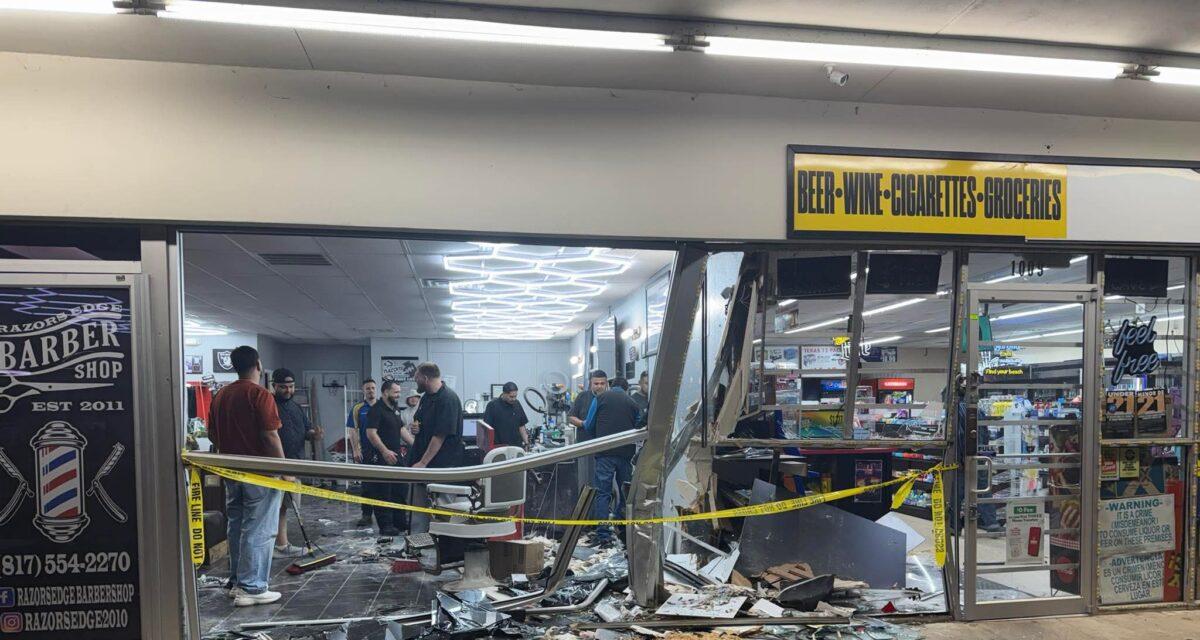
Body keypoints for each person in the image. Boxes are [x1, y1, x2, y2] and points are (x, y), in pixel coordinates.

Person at [207, 346, 286, 607]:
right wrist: (285, 471)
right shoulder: (259, 394)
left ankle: (236, 582)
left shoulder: (220, 396)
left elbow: (212, 436)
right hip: (261, 475)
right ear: (258, 364)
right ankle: (252, 587)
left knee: (237, 525)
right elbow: (270, 435)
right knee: (259, 528)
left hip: (232, 473)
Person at [582, 376, 640, 547]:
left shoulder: (599, 398)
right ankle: (620, 526)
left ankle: (603, 534)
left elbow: (588, 424)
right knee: (626, 493)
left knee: (603, 493)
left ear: (610, 385)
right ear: (626, 388)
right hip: (626, 454)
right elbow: (639, 427)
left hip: (605, 453)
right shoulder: (633, 403)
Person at [408, 362, 465, 533]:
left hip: (441, 467)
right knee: (419, 511)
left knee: (442, 512)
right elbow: (422, 423)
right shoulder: (426, 397)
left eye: (416, 377)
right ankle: (419, 547)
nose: (414, 380)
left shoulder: (448, 399)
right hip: (422, 465)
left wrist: (423, 463)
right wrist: (417, 428)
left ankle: (443, 550)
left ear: (425, 378)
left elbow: (439, 436)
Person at [270, 368, 320, 557]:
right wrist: (282, 468)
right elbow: (269, 437)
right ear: (274, 386)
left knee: (285, 507)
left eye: (291, 387)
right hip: (275, 467)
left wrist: (315, 435)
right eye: (283, 387)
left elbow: (306, 431)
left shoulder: (296, 407)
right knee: (271, 508)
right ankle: (270, 547)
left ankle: (282, 545)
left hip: (295, 464)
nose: (288, 391)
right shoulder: (270, 405)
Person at [365, 379, 413, 536]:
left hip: (396, 455)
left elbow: (401, 429)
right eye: (396, 392)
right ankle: (385, 525)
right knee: (383, 491)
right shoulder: (376, 410)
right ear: (385, 392)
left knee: (400, 489)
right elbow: (371, 433)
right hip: (381, 457)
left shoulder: (394, 409)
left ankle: (399, 522)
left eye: (399, 392)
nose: (398, 395)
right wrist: (385, 451)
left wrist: (416, 444)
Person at [346, 378, 378, 527]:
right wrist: (356, 449)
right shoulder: (358, 408)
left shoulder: (383, 406)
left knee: (385, 485)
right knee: (367, 485)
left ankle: (385, 515)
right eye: (367, 388)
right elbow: (352, 430)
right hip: (365, 452)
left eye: (372, 388)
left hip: (383, 451)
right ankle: (366, 515)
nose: (370, 391)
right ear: (363, 390)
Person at [482, 381, 530, 449]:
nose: (514, 399)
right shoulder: (492, 405)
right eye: (511, 397)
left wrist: (526, 443)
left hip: (517, 446)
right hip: (500, 448)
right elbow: (486, 429)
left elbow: (521, 425)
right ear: (504, 393)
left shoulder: (517, 404)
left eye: (515, 396)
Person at [569, 370, 609, 438]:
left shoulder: (611, 398)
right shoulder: (582, 396)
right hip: (585, 442)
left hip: (605, 441)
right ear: (591, 384)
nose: (599, 386)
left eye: (602, 383)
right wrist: (583, 423)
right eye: (596, 384)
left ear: (607, 384)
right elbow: (571, 417)